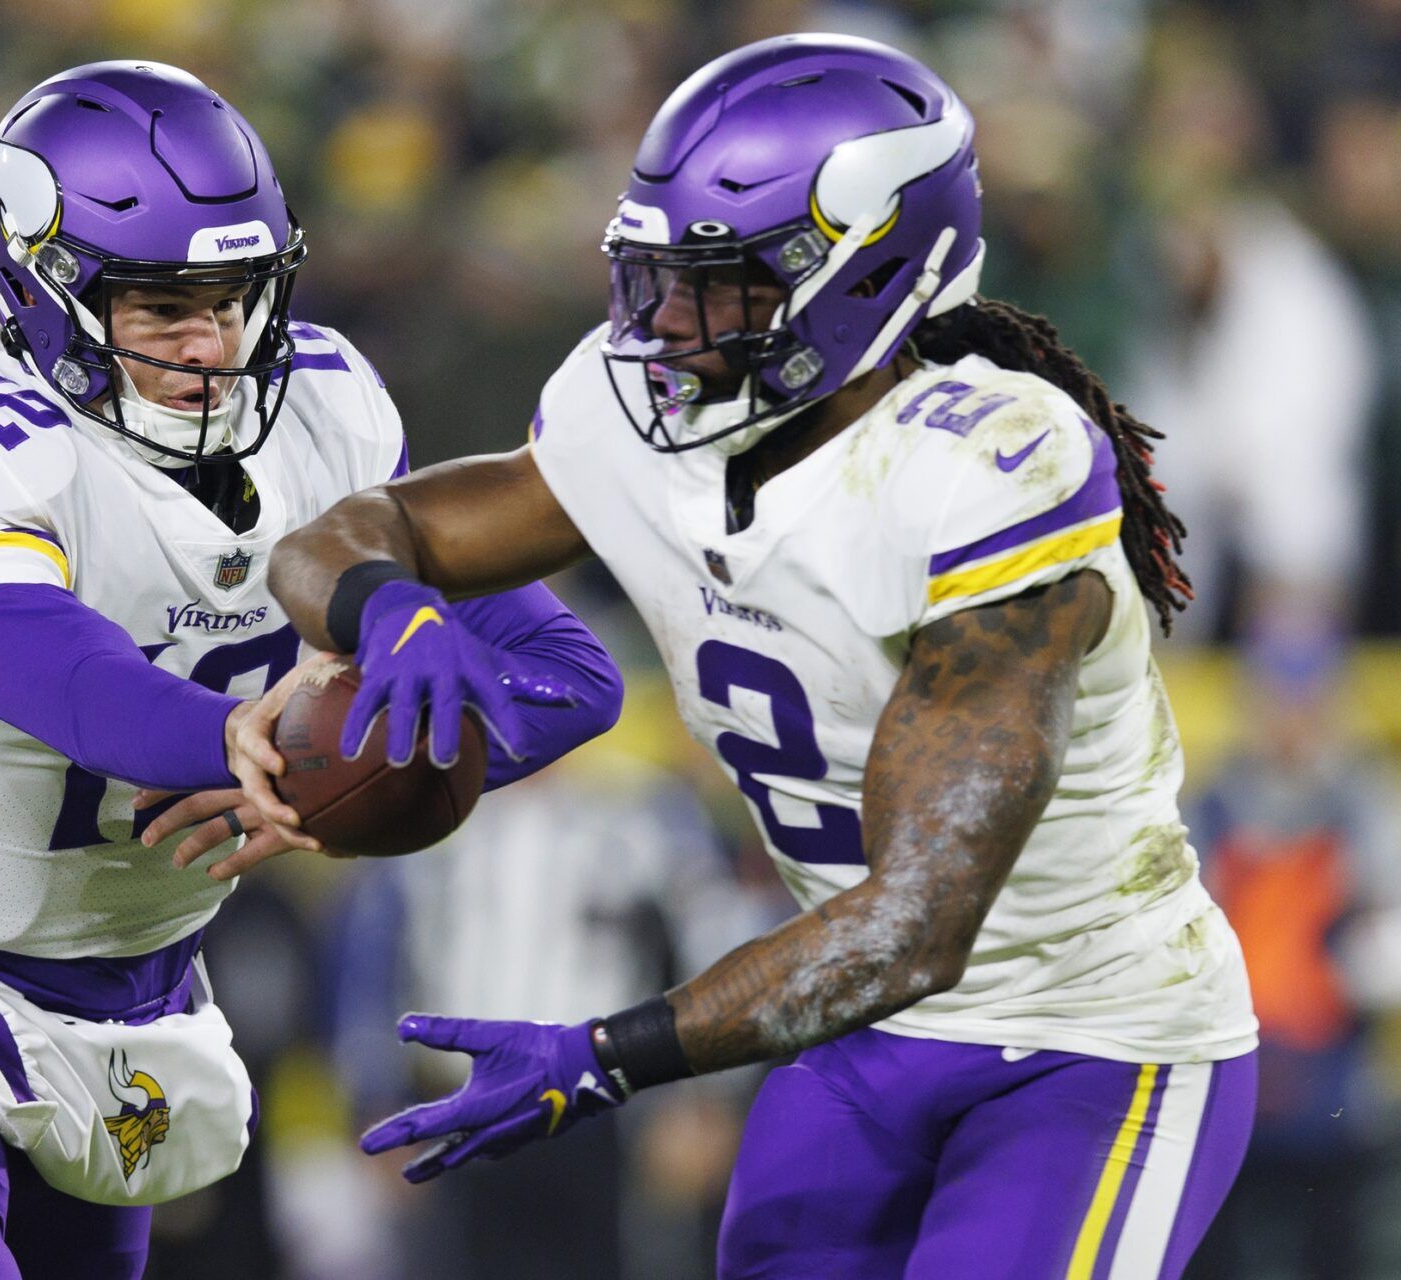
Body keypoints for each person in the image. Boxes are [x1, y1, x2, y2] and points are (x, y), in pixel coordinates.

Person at [239, 35, 1258, 1279]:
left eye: (721, 285)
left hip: (1085, 1037)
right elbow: (353, 533)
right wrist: (385, 610)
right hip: (860, 1035)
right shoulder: (634, 415)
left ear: (872, 273)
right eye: (655, 275)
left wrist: (600, 1057)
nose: (666, 323)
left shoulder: (985, 469)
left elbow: (914, 925)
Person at [0, 61, 619, 1280]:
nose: (214, 343)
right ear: (42, 293)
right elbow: (74, 680)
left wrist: (376, 749)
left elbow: (571, 672)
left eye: (236, 296)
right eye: (163, 307)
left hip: (135, 1021)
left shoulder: (325, 408)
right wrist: (246, 745)